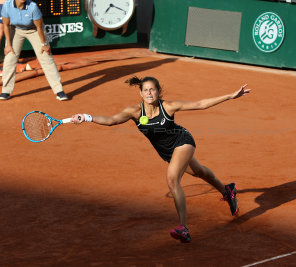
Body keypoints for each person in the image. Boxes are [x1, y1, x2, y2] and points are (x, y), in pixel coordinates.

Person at [71, 76, 251, 243]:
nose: (149, 93)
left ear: (158, 91)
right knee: (199, 172)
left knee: (172, 180)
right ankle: (227, 190)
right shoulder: (133, 111)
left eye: (152, 90)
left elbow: (201, 104)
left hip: (183, 141)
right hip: (167, 152)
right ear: (140, 93)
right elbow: (111, 120)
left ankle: (184, 228)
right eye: (146, 90)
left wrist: (230, 96)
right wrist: (87, 117)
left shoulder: (168, 107)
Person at [0, 0, 68, 101]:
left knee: (46, 58)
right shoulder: (7, 6)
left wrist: (44, 44)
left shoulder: (33, 7)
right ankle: (6, 91)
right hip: (15, 30)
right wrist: (8, 45)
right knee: (9, 58)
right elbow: (5, 25)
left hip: (34, 30)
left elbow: (39, 27)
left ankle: (59, 90)